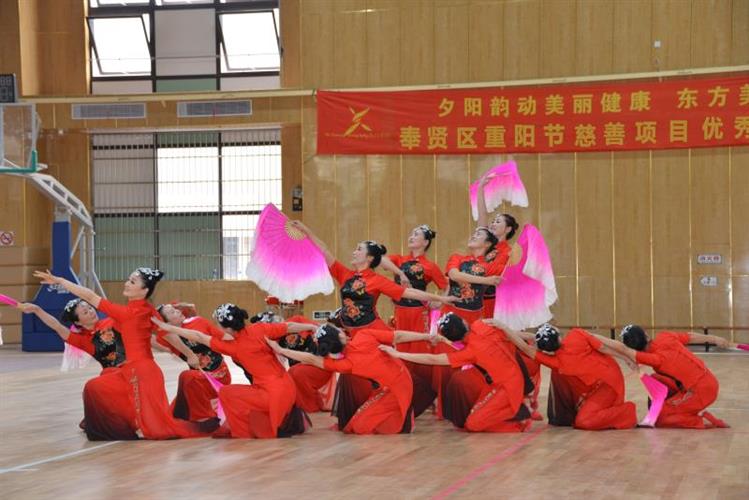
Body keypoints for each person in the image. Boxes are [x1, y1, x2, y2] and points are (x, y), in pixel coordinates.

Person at [33, 268, 208, 440]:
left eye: (132, 282)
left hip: (139, 372)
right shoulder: (147, 310)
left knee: (154, 428)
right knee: (100, 391)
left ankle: (138, 425)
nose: (126, 283)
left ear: (144, 290)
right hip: (137, 370)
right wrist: (188, 354)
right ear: (78, 322)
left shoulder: (123, 314)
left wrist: (60, 281)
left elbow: (90, 296)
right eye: (128, 280)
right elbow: (167, 334)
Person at [153, 303, 316, 439]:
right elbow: (290, 326)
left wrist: (168, 327)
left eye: (218, 324)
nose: (217, 327)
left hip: (272, 395)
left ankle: (244, 431)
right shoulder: (259, 328)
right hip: (288, 388)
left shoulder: (233, 347)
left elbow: (199, 337)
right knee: (235, 392)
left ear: (228, 329)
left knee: (227, 393)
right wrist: (313, 326)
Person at [289, 220, 455, 335]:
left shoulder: (377, 280)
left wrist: (441, 299)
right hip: (350, 332)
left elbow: (410, 293)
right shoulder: (344, 274)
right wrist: (306, 231)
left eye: (359, 249)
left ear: (369, 258)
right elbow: (324, 251)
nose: (354, 252)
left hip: (372, 331)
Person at [268, 324, 438, 434]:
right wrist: (426, 336)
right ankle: (396, 412)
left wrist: (280, 350)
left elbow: (311, 359)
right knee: (356, 426)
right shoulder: (359, 343)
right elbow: (398, 336)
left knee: (362, 427)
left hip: (398, 387)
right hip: (391, 384)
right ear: (341, 335)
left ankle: (405, 417)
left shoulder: (345, 362)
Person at [380, 313, 531, 433]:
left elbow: (432, 359)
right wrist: (528, 336)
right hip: (513, 376)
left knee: (473, 424)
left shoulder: (469, 353)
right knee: (475, 411)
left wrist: (398, 354)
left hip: (506, 387)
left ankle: (517, 420)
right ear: (464, 322)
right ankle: (516, 407)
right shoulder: (482, 325)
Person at [503, 323, 638, 430]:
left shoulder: (555, 361)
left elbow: (525, 347)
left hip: (607, 386)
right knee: (559, 375)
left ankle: (627, 413)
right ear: (558, 336)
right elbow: (604, 347)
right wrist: (626, 357)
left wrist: (504, 329)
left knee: (584, 421)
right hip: (609, 372)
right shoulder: (576, 335)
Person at [613, 325, 729, 429]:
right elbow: (690, 336)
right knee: (655, 378)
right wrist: (714, 339)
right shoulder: (665, 336)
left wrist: (601, 341)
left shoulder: (653, 358)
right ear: (647, 336)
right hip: (708, 380)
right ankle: (685, 408)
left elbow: (624, 351)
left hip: (701, 392)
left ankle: (701, 418)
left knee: (660, 418)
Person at [155, 303, 232, 423]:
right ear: (167, 323)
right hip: (198, 382)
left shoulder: (198, 322)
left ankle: (208, 412)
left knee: (188, 382)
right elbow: (157, 335)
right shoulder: (167, 338)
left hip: (220, 375)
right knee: (177, 413)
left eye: (176, 309)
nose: (178, 311)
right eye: (173, 312)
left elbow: (224, 337)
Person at [20, 299, 126, 372]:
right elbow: (56, 326)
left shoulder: (112, 321)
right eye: (85, 312)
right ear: (78, 322)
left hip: (133, 366)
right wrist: (37, 310)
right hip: (114, 374)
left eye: (90, 308)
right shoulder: (82, 340)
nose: (91, 312)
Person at [474, 172, 518, 319]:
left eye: (498, 222)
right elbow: (482, 215)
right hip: (474, 298)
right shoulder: (485, 243)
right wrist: (480, 188)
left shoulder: (510, 252)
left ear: (508, 229)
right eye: (493, 221)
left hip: (495, 302)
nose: (493, 224)